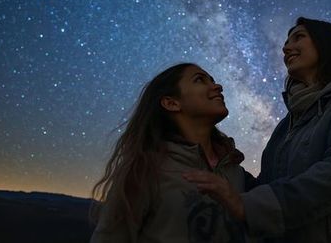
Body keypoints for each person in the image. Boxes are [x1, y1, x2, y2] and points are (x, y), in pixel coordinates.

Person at [184, 17, 331, 242]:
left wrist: (248, 206)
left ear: (328, 43)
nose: (285, 47)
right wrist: (221, 161)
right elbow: (268, 184)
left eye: (299, 37)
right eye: (286, 41)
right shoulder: (288, 124)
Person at [90, 63, 251, 243]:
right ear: (171, 103)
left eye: (212, 80)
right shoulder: (145, 169)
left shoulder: (236, 171)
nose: (217, 86)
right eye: (200, 80)